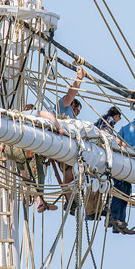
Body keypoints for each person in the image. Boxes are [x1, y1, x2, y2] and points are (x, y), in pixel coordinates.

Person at [54, 68, 86, 213]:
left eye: (78, 112)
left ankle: (71, 202)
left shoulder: (74, 118)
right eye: (76, 110)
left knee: (69, 176)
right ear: (72, 104)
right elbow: (70, 94)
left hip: (70, 149)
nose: (76, 113)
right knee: (69, 176)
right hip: (63, 144)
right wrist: (79, 78)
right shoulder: (64, 106)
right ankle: (70, 200)